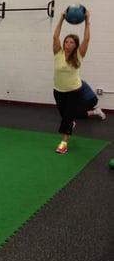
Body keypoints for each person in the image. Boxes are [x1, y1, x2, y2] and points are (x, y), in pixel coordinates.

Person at [52, 9, 91, 154]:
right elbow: (55, 36)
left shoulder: (79, 55)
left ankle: (63, 143)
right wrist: (61, 18)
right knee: (64, 115)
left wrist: (87, 20)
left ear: (75, 45)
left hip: (74, 91)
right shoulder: (58, 53)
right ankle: (70, 123)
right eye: (66, 41)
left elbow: (86, 39)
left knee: (67, 117)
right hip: (58, 91)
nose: (68, 43)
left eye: (71, 42)